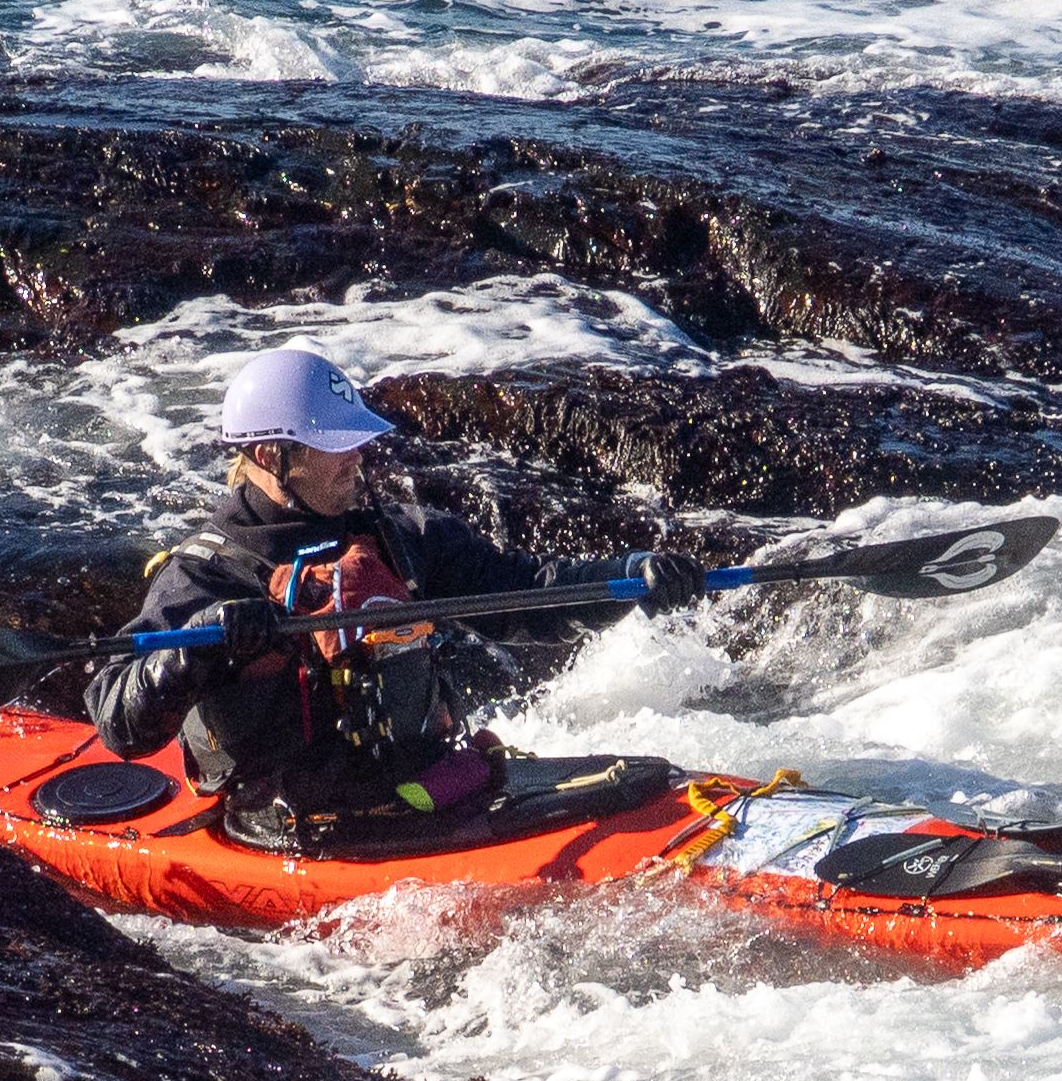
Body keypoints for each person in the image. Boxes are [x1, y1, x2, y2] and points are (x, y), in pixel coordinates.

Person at [89, 347, 701, 845]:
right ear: (270, 455)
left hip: (424, 785)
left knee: (642, 780)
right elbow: (119, 723)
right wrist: (197, 647)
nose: (357, 457)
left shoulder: (397, 533)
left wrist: (633, 579)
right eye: (334, 444)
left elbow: (523, 593)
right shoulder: (204, 573)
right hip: (299, 827)